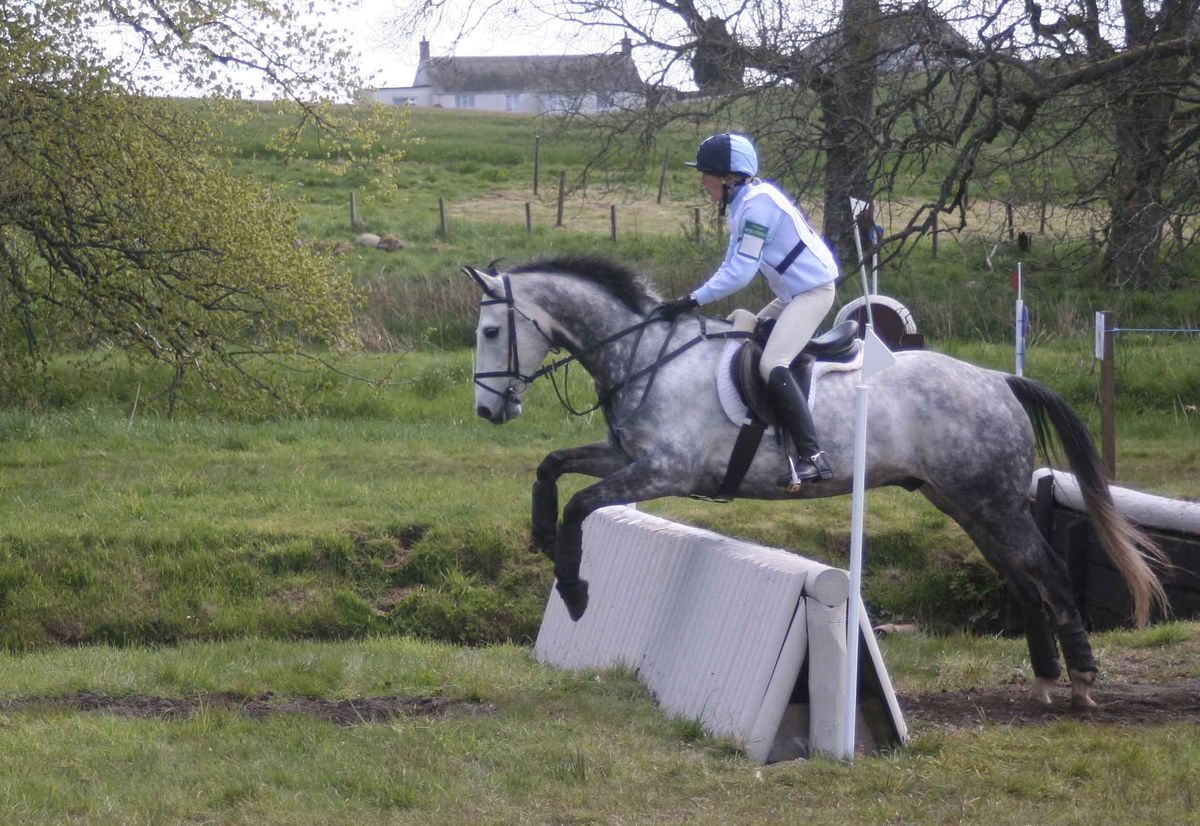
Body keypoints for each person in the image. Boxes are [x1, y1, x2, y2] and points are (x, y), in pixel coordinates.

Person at [661, 132, 840, 487]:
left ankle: (813, 456)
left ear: (728, 178)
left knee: (772, 362)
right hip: (793, 294)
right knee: (739, 328)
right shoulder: (744, 205)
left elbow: (740, 275)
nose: (702, 181)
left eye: (706, 174)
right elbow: (730, 267)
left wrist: (691, 301)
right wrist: (690, 298)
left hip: (812, 294)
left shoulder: (757, 208)